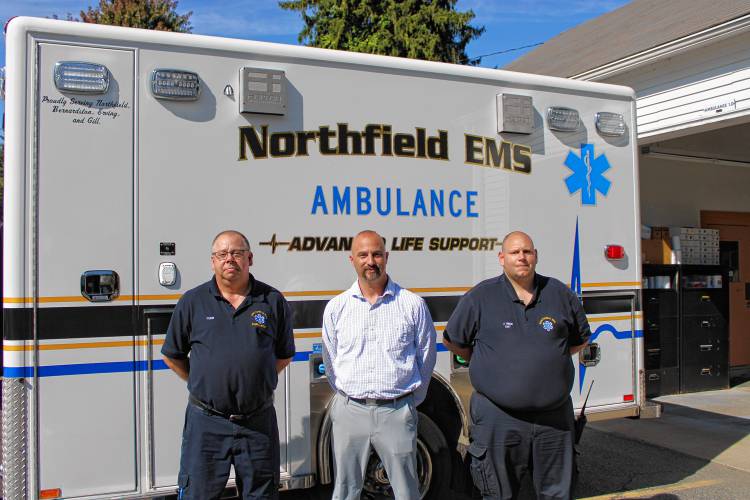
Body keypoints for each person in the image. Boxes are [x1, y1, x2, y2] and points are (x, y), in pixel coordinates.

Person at [443, 231, 590, 500]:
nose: (521, 257)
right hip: (499, 419)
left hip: (553, 421)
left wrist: (545, 361)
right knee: (498, 494)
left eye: (527, 251)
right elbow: (455, 341)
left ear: (535, 256)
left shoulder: (560, 294)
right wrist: (492, 364)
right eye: (514, 252)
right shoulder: (480, 297)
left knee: (559, 494)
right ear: (502, 258)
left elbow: (578, 342)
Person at [162, 230, 295, 500]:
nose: (229, 259)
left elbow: (284, 354)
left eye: (236, 253)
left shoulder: (272, 301)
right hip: (206, 423)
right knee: (197, 494)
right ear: (213, 261)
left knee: (262, 495)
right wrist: (200, 381)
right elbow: (172, 355)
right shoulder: (193, 301)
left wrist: (257, 380)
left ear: (250, 258)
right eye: (222, 254)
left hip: (257, 422)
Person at [322, 230, 437, 500]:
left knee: (407, 491)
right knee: (345, 490)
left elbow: (426, 357)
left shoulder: (412, 304)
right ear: (352, 259)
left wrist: (408, 403)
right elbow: (331, 361)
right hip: (350, 412)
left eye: (376, 254)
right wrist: (347, 396)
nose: (370, 260)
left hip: (396, 412)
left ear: (386, 257)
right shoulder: (337, 307)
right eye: (363, 255)